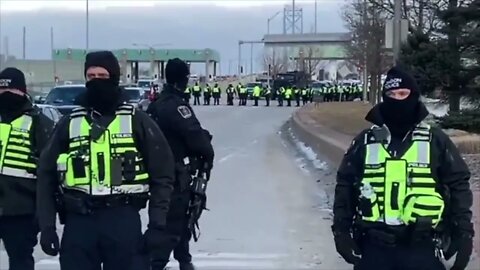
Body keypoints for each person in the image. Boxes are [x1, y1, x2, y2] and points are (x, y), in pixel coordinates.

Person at [37, 51, 176, 270]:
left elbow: (163, 174)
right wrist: (47, 226)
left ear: (114, 78)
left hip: (122, 220)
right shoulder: (69, 123)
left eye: (102, 76)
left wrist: (157, 224)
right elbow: (45, 175)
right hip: (79, 223)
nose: (96, 81)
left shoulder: (137, 121)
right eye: (91, 76)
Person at [332, 66, 474, 270]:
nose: (397, 99)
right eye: (391, 94)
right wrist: (341, 231)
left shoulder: (436, 140)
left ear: (414, 96)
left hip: (423, 247)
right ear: (384, 97)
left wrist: (464, 233)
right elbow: (345, 185)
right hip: (374, 248)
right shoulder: (365, 141)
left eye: (403, 94)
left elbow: (458, 185)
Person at [147, 58, 215, 270]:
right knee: (174, 223)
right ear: (182, 80)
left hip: (159, 175)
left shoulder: (156, 104)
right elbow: (194, 136)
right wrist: (208, 152)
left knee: (175, 220)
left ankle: (183, 259)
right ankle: (158, 264)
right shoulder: (176, 106)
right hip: (175, 176)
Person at [0, 67, 54, 270]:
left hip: (21, 210)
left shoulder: (39, 123)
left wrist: (43, 213)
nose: (5, 95)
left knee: (20, 261)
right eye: (1, 90)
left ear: (22, 91)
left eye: (10, 91)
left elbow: (49, 171)